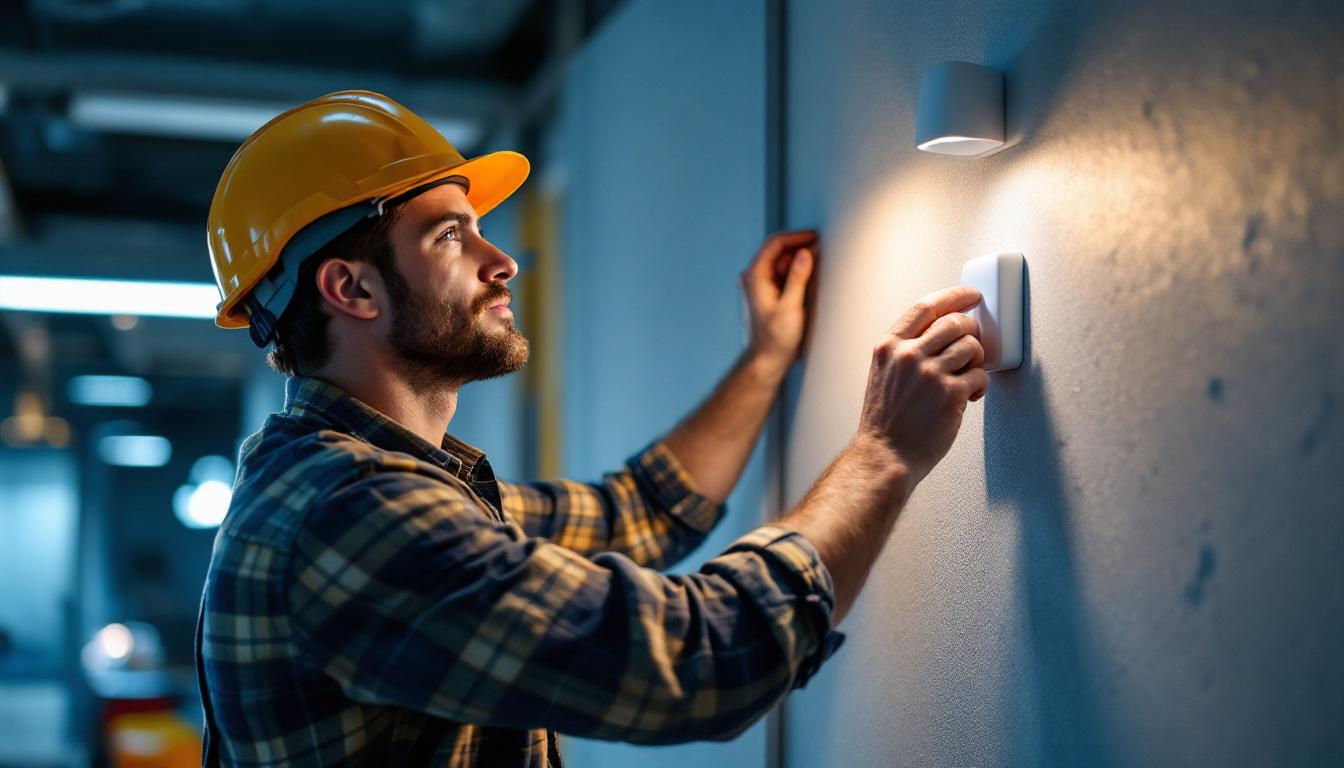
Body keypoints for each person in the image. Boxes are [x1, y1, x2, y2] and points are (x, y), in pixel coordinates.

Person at [196, 90, 988, 767]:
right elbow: (701, 659)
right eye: (449, 235)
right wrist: (882, 454)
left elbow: (636, 514)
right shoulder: (351, 516)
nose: (500, 259)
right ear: (352, 288)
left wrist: (764, 360)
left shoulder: (364, 484)